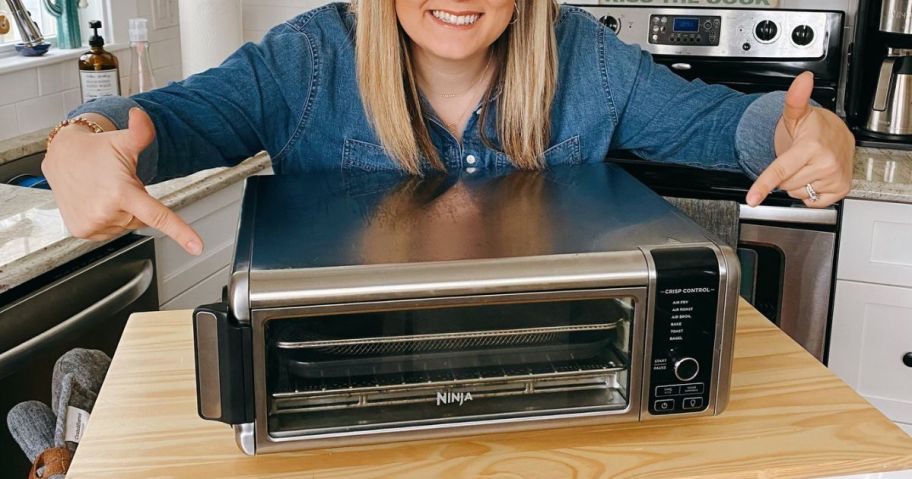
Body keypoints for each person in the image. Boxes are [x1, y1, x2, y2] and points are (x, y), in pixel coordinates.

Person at [40, 1, 856, 256]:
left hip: (552, 391)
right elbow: (162, 121)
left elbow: (725, 124)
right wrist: (75, 142)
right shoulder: (307, 60)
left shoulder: (589, 59)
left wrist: (808, 134)